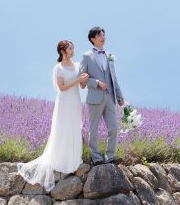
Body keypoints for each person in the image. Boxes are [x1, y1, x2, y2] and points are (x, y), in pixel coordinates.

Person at [18, 40, 88, 191]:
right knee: (63, 128)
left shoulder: (77, 65)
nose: (73, 50)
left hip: (75, 100)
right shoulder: (58, 68)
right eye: (70, 48)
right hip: (64, 101)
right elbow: (61, 88)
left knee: (75, 126)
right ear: (63, 51)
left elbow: (81, 86)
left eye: (73, 48)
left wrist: (84, 80)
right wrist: (77, 80)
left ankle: (73, 158)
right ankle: (61, 159)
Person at [79, 26, 125, 164]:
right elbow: (81, 77)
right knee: (93, 130)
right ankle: (96, 158)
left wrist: (120, 95)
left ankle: (110, 157)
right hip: (95, 98)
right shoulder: (86, 56)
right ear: (93, 39)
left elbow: (113, 78)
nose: (103, 37)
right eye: (99, 35)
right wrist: (96, 82)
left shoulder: (109, 56)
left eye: (104, 34)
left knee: (114, 128)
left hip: (110, 97)